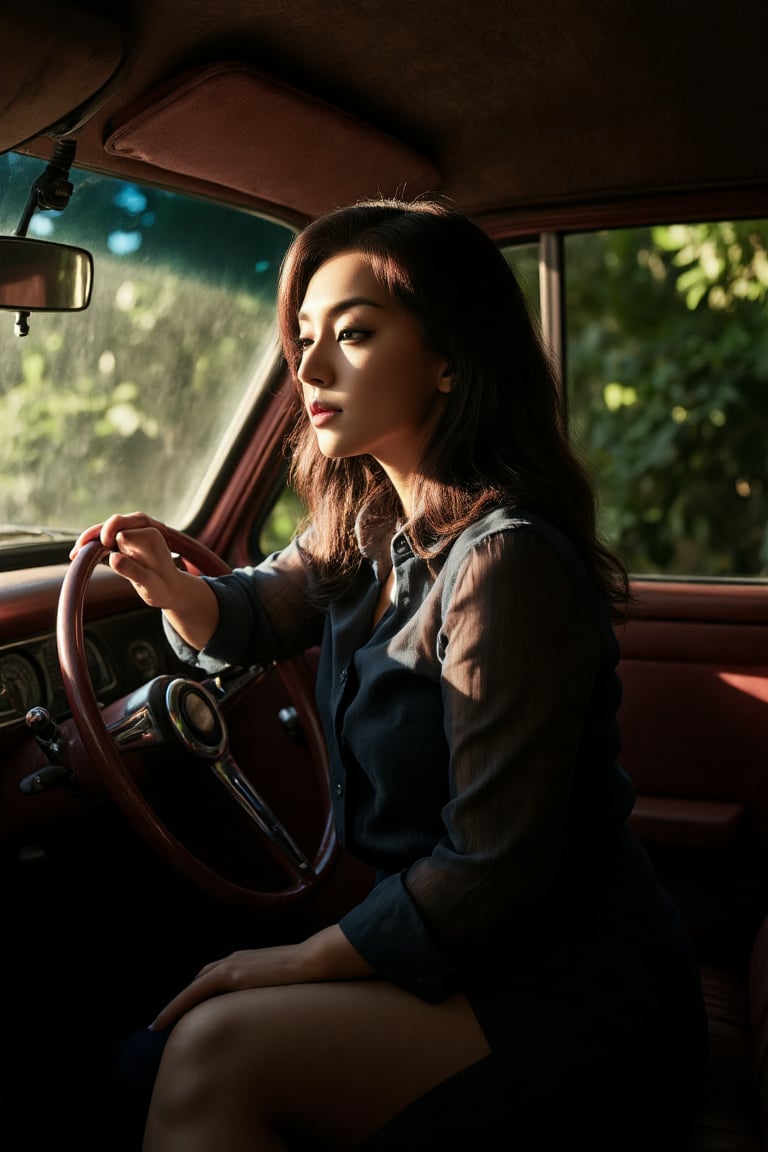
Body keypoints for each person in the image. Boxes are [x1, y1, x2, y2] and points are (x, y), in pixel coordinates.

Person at [71, 196, 707, 1151]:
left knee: (207, 1051)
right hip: (470, 950)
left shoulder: (505, 562)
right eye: (302, 337)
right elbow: (256, 609)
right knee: (136, 1065)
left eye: (355, 334)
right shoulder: (367, 527)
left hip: (567, 988)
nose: (310, 367)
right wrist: (175, 591)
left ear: (450, 356)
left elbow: (488, 871)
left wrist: (276, 965)